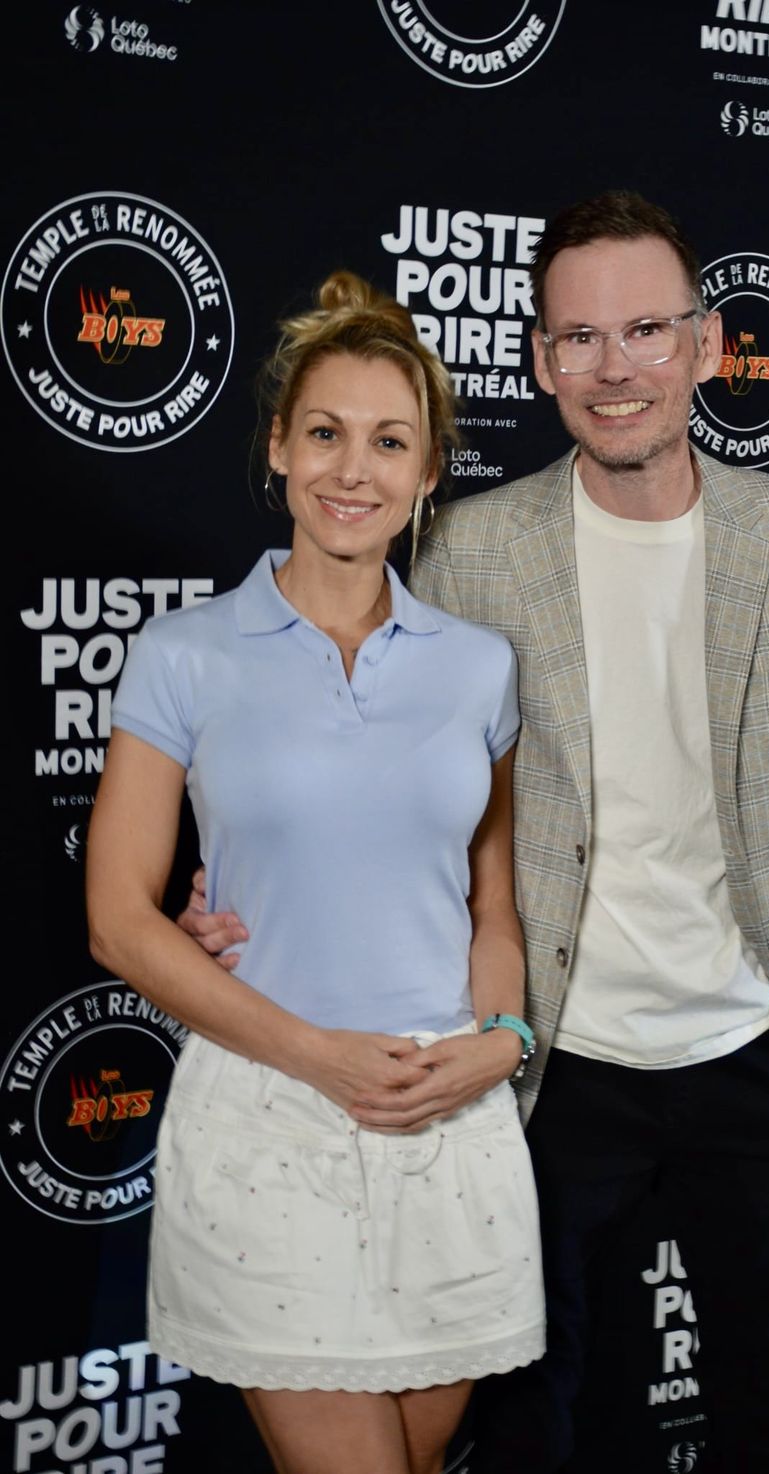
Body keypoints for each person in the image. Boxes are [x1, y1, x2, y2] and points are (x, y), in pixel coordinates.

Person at [182, 191, 769, 1474]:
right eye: (577, 338)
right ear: (541, 358)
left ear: (708, 346)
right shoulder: (469, 545)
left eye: (646, 331)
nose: (614, 370)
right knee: (536, 1420)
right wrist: (239, 899)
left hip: (751, 1045)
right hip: (546, 1057)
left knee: (766, 1401)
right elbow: (377, 765)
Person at [85, 270, 545, 1474]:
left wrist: (502, 1034)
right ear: (280, 447)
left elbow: (491, 908)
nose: (355, 470)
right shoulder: (183, 655)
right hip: (267, 1118)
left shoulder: (480, 668)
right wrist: (318, 1054)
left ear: (430, 469)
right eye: (327, 434)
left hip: (450, 1115)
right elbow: (119, 924)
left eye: (390, 441)